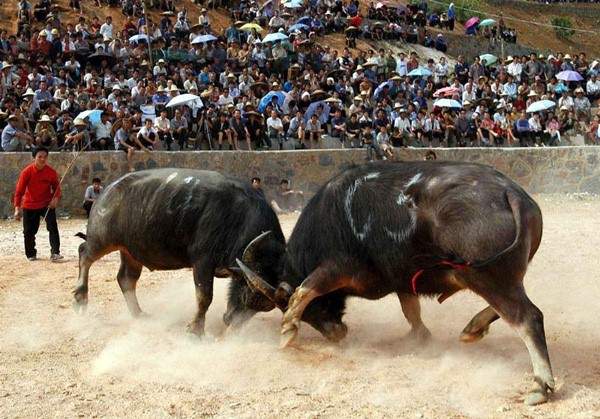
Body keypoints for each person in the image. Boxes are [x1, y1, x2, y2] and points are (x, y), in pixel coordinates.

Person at [13, 147, 62, 262]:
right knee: (29, 231)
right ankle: (31, 253)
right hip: (29, 205)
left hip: (46, 204)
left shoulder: (51, 172)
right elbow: (19, 191)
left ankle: (55, 252)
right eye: (39, 157)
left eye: (45, 157)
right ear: (34, 158)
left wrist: (55, 199)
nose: (42, 159)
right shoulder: (26, 172)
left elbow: (57, 188)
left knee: (52, 227)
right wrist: (17, 208)